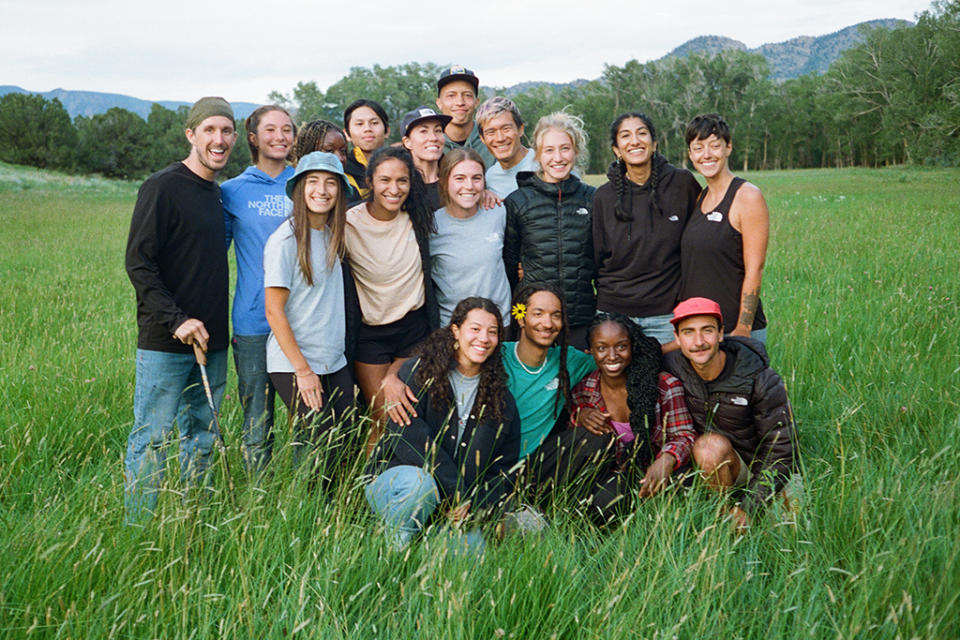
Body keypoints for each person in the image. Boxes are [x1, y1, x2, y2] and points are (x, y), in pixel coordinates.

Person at [124, 97, 238, 521]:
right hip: (165, 340)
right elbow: (138, 262)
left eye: (226, 131)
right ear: (191, 134)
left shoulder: (217, 194)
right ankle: (138, 529)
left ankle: (192, 521)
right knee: (152, 438)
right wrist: (177, 319)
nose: (219, 139)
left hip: (214, 340)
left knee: (203, 436)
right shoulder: (163, 186)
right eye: (209, 130)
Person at [364, 297, 520, 551]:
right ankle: (392, 555)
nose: (484, 338)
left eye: (492, 332)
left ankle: (426, 544)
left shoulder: (501, 400)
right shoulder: (419, 373)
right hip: (400, 486)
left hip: (457, 506)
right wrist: (455, 491)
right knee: (419, 485)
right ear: (456, 331)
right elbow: (407, 438)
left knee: (473, 553)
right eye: (475, 329)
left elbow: (502, 470)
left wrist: (473, 506)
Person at [663, 297, 798, 528]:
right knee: (708, 448)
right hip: (713, 459)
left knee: (792, 531)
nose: (698, 342)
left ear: (721, 333)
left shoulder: (759, 377)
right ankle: (723, 512)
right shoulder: (673, 366)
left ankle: (742, 513)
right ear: (677, 339)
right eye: (688, 332)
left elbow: (782, 450)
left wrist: (750, 506)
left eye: (707, 331)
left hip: (762, 466)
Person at [263, 152, 357, 474]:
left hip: (334, 359)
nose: (322, 190)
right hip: (295, 363)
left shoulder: (333, 236)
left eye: (331, 183)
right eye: (313, 182)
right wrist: (302, 371)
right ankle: (310, 512)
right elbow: (274, 312)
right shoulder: (285, 240)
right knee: (320, 442)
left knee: (344, 438)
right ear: (300, 189)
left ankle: (334, 514)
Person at [221, 104, 297, 473]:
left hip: (303, 318)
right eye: (270, 130)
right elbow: (212, 253)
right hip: (253, 320)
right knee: (256, 415)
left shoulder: (306, 182)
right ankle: (258, 495)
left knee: (307, 415)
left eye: (286, 129)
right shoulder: (232, 191)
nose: (280, 136)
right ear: (252, 138)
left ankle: (309, 495)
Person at [345, 147, 437, 447]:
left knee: (411, 418)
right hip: (372, 335)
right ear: (370, 180)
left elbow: (461, 190)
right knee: (383, 416)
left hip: (415, 331)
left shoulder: (418, 216)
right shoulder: (349, 223)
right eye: (385, 180)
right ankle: (366, 488)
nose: (394, 189)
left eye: (402, 181)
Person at [592, 112, 701, 346]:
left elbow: (701, 241)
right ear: (616, 149)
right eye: (625, 136)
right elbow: (595, 258)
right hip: (614, 313)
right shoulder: (603, 197)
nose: (635, 141)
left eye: (642, 133)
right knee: (617, 382)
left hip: (667, 314)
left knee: (671, 381)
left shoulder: (682, 184)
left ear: (654, 144)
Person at [571, 313, 696, 497]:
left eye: (621, 346)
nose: (612, 356)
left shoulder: (664, 385)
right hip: (615, 475)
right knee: (604, 504)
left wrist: (667, 459)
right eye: (601, 348)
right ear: (590, 350)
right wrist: (580, 415)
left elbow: (685, 435)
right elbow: (575, 441)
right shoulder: (586, 389)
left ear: (633, 347)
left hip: (660, 471)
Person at [502, 112, 597, 348]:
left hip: (580, 322)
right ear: (538, 155)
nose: (558, 157)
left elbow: (602, 264)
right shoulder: (517, 201)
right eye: (549, 150)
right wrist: (520, 315)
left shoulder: (593, 199)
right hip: (534, 321)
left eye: (565, 148)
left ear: (575, 151)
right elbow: (509, 265)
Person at [682, 113, 770, 342]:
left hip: (735, 331)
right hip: (702, 332)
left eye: (715, 146)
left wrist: (743, 327)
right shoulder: (700, 197)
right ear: (690, 155)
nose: (707, 154)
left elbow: (755, 268)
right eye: (698, 148)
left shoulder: (747, 196)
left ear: (728, 148)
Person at [430, 148, 511, 326]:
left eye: (476, 178)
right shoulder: (432, 226)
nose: (469, 186)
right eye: (459, 178)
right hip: (454, 327)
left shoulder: (497, 212)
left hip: (499, 325)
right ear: (444, 182)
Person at [475, 96, 538, 198]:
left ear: (520, 129)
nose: (500, 138)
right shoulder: (490, 178)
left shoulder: (545, 163)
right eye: (491, 132)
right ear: (482, 138)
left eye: (506, 129)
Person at [436, 65, 496, 169]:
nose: (460, 102)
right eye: (451, 96)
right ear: (439, 103)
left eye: (467, 95)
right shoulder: (431, 144)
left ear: (476, 102)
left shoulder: (493, 139)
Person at [293, 119, 362, 200]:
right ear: (308, 152)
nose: (339, 158)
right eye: (329, 150)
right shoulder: (290, 190)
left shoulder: (350, 193)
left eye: (343, 151)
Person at [401, 106, 451, 212]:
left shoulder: (454, 180)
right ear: (407, 142)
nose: (433, 138)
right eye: (423, 131)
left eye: (438, 130)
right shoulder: (401, 185)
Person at [343, 99, 390, 203]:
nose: (367, 129)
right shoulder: (342, 170)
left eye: (374, 123)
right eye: (359, 124)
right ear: (347, 134)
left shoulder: (400, 167)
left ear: (387, 131)